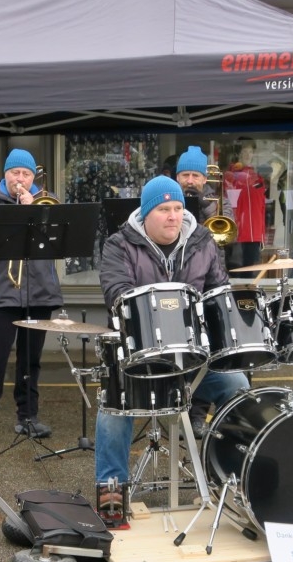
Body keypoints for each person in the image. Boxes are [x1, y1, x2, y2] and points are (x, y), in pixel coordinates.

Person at [95, 176, 248, 520]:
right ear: (146, 213)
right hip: (137, 355)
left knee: (237, 385)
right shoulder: (119, 244)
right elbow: (116, 294)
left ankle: (231, 477)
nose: (173, 216)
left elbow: (218, 293)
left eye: (178, 208)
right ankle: (111, 492)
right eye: (164, 209)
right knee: (113, 409)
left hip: (191, 357)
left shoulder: (203, 242)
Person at [0, 148, 63, 449]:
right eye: (15, 173)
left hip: (40, 293)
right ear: (5, 174)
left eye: (26, 174)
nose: (20, 179)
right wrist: (13, 220)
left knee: (31, 361)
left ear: (33, 177)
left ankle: (28, 416)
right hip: (2, 294)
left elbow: (61, 239)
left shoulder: (46, 201)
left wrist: (34, 213)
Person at [176, 145, 236, 438]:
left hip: (211, 281)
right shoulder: (171, 201)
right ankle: (178, 408)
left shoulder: (217, 202)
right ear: (177, 177)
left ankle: (198, 415)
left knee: (209, 351)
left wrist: (202, 205)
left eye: (195, 175)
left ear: (204, 178)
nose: (190, 180)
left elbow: (228, 234)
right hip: (180, 284)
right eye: (185, 175)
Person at [223, 138, 267, 274]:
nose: (248, 155)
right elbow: (227, 203)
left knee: (250, 274)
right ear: (239, 154)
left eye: (250, 152)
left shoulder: (257, 177)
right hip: (237, 233)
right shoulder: (231, 176)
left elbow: (261, 207)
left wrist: (261, 234)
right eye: (244, 151)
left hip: (254, 234)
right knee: (234, 273)